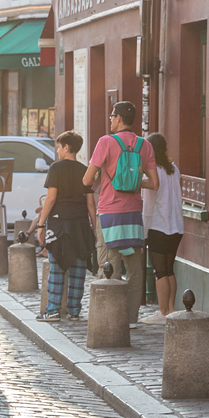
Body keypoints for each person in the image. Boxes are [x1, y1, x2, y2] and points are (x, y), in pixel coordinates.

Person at [83, 101, 159, 327]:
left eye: (111, 116)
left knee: (109, 265)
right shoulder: (145, 146)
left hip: (109, 214)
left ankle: (107, 318)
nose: (110, 120)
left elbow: (86, 180)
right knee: (134, 269)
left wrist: (108, 179)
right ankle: (132, 318)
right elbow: (154, 183)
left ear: (118, 119)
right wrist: (133, 182)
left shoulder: (106, 142)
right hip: (133, 215)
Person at [35, 131, 97, 323]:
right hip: (80, 224)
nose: (58, 150)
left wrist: (40, 224)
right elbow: (90, 203)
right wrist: (94, 228)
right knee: (78, 269)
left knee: (57, 268)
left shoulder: (56, 168)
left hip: (59, 224)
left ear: (66, 148)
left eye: (59, 147)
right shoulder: (84, 170)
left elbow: (51, 198)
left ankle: (53, 310)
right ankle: (74, 311)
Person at [140, 133, 183, 324]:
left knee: (160, 272)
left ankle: (163, 312)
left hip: (158, 226)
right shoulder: (174, 169)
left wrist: (144, 231)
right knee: (169, 269)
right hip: (176, 227)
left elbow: (148, 207)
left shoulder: (152, 173)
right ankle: (172, 310)